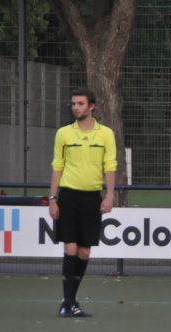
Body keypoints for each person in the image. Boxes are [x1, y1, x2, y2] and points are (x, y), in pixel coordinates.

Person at [49, 88, 116, 318]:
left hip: (91, 198)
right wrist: (52, 199)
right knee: (70, 247)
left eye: (80, 103)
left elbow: (110, 165)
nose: (75, 107)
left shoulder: (106, 134)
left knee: (85, 252)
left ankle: (71, 301)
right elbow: (57, 166)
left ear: (91, 106)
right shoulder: (63, 134)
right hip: (68, 196)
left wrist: (109, 195)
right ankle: (67, 303)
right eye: (73, 104)